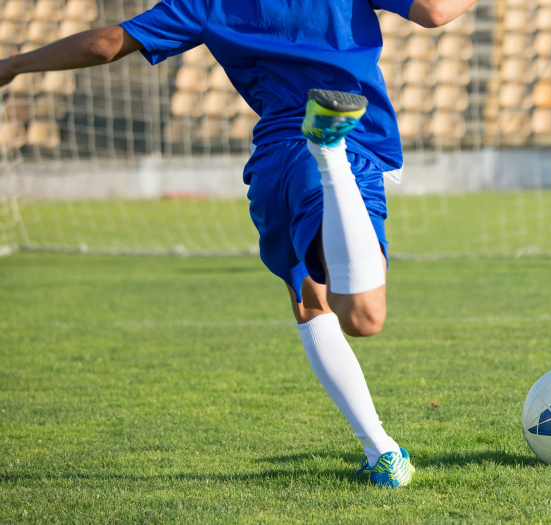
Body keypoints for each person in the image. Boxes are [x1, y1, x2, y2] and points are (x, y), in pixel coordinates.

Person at [0, 0, 476, 488]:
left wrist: (15, 64)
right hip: (340, 144)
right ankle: (328, 150)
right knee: (363, 316)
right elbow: (437, 11)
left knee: (312, 306)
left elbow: (106, 45)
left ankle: (382, 453)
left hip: (272, 164)